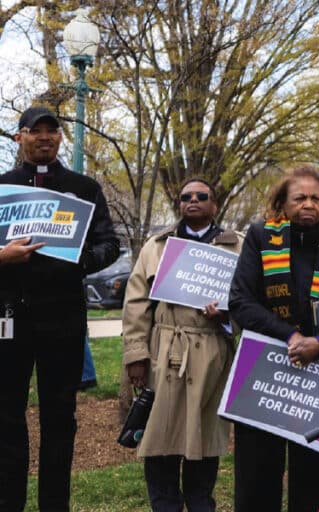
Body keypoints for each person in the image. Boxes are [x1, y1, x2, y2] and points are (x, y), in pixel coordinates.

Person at [0, 105, 120, 511]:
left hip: (63, 320)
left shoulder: (84, 188)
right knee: (7, 419)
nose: (45, 137)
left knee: (59, 420)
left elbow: (110, 244)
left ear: (60, 139)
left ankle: (55, 504)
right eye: (36, 131)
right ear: (20, 137)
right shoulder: (2, 187)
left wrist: (80, 260)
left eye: (52, 131)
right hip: (9, 317)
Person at [229, 164, 319, 512]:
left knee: (314, 475)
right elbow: (241, 301)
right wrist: (290, 336)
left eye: (316, 198)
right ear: (283, 203)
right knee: (257, 474)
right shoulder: (260, 237)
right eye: (299, 197)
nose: (309, 204)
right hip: (265, 370)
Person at [121, 178, 243, 511]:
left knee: (203, 441)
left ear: (214, 205)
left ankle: (201, 502)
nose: (193, 201)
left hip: (213, 355)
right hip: (164, 353)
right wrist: (136, 355)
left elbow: (250, 302)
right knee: (159, 440)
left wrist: (227, 316)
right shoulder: (156, 246)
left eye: (201, 196)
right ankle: (164, 505)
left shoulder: (238, 247)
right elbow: (135, 304)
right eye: (185, 197)